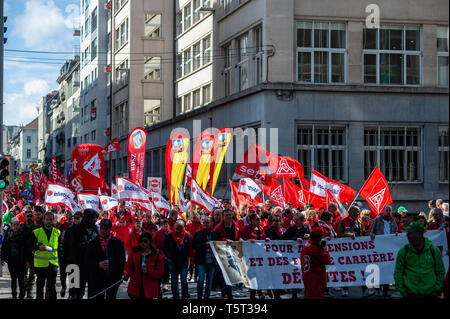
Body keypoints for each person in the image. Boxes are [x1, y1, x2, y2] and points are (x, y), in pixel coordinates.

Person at [394, 221, 445, 298]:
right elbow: (398, 273)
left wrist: (436, 289)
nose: (407, 235)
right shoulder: (403, 251)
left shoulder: (433, 250)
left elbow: (440, 271)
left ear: (419, 234)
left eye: (410, 233)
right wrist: (403, 291)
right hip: (410, 295)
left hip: (430, 294)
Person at [63, 208, 99, 299]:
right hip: (74, 265)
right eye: (93, 218)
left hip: (90, 266)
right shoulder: (73, 230)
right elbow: (70, 248)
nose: (95, 220)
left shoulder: (95, 229)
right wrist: (86, 244)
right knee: (74, 293)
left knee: (92, 291)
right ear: (88, 218)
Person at [86, 219, 126, 300]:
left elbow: (122, 261)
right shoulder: (92, 243)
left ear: (110, 229)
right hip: (97, 279)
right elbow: (87, 260)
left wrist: (113, 266)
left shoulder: (117, 243)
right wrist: (98, 264)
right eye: (101, 228)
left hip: (112, 278)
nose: (103, 231)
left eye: (106, 229)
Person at [29, 211, 62, 299]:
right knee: (40, 287)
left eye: (51, 219)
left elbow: (60, 248)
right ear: (43, 220)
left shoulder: (57, 232)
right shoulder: (36, 232)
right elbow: (30, 246)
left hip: (53, 264)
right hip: (40, 265)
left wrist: (61, 262)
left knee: (51, 287)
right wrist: (38, 247)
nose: (49, 221)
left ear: (53, 220)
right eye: (47, 219)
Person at [123, 232, 165, 299]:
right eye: (141, 241)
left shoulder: (157, 256)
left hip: (150, 289)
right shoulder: (135, 252)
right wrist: (126, 274)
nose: (143, 243)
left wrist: (148, 271)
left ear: (150, 242)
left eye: (145, 241)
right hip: (135, 288)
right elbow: (128, 266)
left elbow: (160, 273)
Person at [213, 209, 242, 299]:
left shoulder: (236, 224)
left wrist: (240, 239)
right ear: (223, 217)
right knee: (223, 274)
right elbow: (216, 239)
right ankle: (224, 293)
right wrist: (225, 240)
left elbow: (239, 235)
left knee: (231, 273)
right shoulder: (218, 227)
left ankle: (229, 293)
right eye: (226, 215)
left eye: (230, 215)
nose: (229, 217)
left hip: (233, 252)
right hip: (222, 253)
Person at [369, 205, 398, 297]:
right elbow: (371, 231)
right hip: (379, 247)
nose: (388, 212)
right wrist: (372, 234)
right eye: (387, 210)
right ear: (383, 211)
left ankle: (385, 290)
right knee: (378, 269)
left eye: (390, 210)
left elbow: (395, 231)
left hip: (389, 248)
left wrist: (396, 233)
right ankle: (377, 289)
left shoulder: (393, 221)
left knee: (387, 269)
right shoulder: (377, 219)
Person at [192, 216, 220, 299]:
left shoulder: (215, 234)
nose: (205, 224)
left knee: (209, 282)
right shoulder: (198, 233)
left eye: (207, 223)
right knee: (201, 280)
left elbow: (219, 245)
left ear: (211, 223)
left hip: (212, 261)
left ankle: (206, 296)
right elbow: (194, 246)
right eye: (203, 223)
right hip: (201, 261)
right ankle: (199, 296)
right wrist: (204, 245)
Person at [163, 220, 191, 299]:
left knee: (184, 280)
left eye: (180, 228)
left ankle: (184, 295)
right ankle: (175, 296)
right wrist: (169, 257)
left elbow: (189, 250)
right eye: (177, 227)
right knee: (174, 281)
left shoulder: (187, 236)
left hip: (183, 262)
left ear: (183, 228)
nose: (178, 229)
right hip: (172, 262)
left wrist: (189, 261)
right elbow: (164, 248)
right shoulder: (169, 236)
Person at [300, 227, 331, 299]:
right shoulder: (315, 249)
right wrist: (323, 249)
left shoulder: (308, 243)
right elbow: (327, 260)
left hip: (308, 275)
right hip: (315, 278)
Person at [1, 217, 27, 299]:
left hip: (21, 261)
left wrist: (27, 260)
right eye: (14, 225)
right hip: (12, 261)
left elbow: (26, 248)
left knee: (21, 280)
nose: (16, 226)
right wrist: (2, 258)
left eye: (17, 225)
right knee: (13, 279)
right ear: (11, 225)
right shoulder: (8, 234)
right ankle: (14, 295)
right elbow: (4, 247)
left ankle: (21, 295)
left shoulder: (23, 235)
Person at [337, 205, 361, 297]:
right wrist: (348, 235)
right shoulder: (343, 221)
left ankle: (364, 289)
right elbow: (339, 234)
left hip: (357, 250)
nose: (358, 214)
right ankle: (345, 288)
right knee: (345, 270)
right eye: (357, 212)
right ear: (351, 212)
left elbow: (361, 234)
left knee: (359, 269)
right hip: (345, 251)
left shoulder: (358, 222)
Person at [21, 209, 37, 298]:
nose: (30, 218)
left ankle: (29, 290)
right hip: (23, 254)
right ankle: (24, 290)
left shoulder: (35, 227)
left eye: (31, 216)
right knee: (23, 275)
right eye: (28, 216)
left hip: (33, 255)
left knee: (32, 275)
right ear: (25, 217)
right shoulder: (21, 227)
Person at [56, 211, 74, 298]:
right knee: (63, 272)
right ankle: (63, 286)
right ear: (66, 218)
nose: (70, 220)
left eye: (72, 218)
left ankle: (71, 292)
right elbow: (56, 238)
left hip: (73, 254)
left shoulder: (76, 228)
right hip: (62, 253)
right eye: (69, 218)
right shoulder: (61, 226)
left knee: (72, 274)